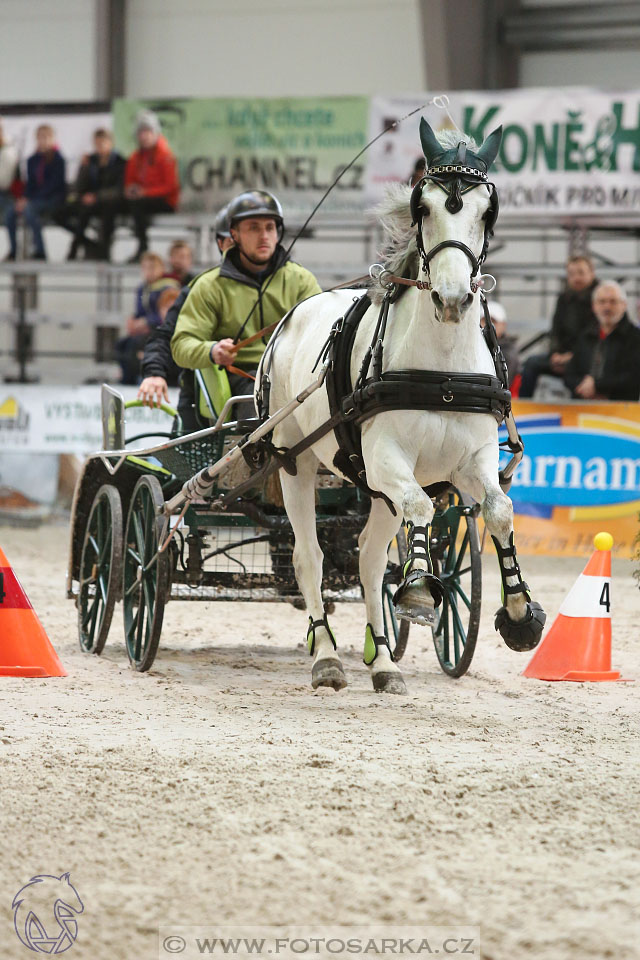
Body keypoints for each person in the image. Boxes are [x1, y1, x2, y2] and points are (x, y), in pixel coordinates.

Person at [170, 189, 322, 415]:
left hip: (294, 376)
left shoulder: (301, 280)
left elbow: (322, 333)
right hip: (243, 381)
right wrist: (212, 350)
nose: (264, 236)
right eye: (254, 228)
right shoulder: (209, 285)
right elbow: (181, 345)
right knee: (258, 405)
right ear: (235, 234)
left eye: (270, 228)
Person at [136, 204, 235, 430]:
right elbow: (164, 336)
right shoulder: (200, 288)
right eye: (232, 238)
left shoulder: (290, 282)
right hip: (202, 406)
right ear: (221, 244)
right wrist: (154, 373)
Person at [519, 256, 599, 398]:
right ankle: (522, 409)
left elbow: (593, 336)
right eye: (572, 274)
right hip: (561, 356)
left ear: (592, 273)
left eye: (581, 272)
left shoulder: (601, 299)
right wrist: (555, 354)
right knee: (531, 364)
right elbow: (555, 330)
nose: (576, 278)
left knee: (577, 374)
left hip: (587, 359)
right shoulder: (564, 298)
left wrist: (571, 357)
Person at [563, 281, 640, 401]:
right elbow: (569, 374)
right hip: (582, 407)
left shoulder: (635, 337)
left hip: (622, 411)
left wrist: (597, 386)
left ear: (624, 305)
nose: (607, 307)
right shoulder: (585, 336)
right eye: (602, 302)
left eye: (613, 302)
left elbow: (634, 376)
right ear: (594, 306)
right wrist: (584, 387)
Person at [115, 252, 179, 384]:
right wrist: (133, 322)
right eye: (145, 268)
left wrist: (146, 323)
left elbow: (166, 313)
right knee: (122, 344)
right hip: (143, 329)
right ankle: (126, 379)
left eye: (153, 267)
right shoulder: (142, 289)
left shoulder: (168, 287)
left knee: (137, 347)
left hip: (158, 328)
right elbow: (139, 311)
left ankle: (140, 378)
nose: (149, 272)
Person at [124, 110, 179, 262]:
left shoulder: (165, 156)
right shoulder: (135, 157)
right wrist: (131, 190)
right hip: (143, 199)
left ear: (155, 133)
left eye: (148, 131)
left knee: (137, 204)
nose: (144, 136)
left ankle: (143, 247)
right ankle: (101, 249)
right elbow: (129, 180)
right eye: (141, 132)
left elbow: (170, 187)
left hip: (165, 201)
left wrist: (145, 192)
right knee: (114, 203)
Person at [5, 124, 66, 261]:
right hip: (33, 199)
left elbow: (53, 185)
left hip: (52, 199)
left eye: (46, 137)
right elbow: (30, 184)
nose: (42, 141)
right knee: (10, 212)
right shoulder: (32, 160)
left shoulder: (58, 160)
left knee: (29, 211)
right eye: (40, 138)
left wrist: (29, 201)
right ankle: (13, 251)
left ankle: (40, 250)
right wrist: (23, 199)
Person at [64, 128, 126, 261]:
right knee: (66, 211)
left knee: (107, 211)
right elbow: (79, 186)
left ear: (111, 143)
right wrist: (84, 167)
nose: (100, 147)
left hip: (109, 202)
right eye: (97, 143)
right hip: (90, 202)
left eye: (103, 143)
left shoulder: (120, 162)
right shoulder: (90, 161)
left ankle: (101, 250)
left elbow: (118, 190)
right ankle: (86, 245)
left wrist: (97, 196)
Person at [482, 300, 520, 387]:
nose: (489, 325)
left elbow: (503, 385)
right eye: (484, 320)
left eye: (493, 321)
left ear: (503, 325)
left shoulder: (509, 352)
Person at [0, 119, 20, 237]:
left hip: (8, 194)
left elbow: (5, 181)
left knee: (10, 213)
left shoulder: (9, 151)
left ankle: (13, 251)